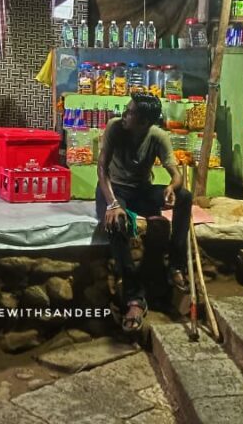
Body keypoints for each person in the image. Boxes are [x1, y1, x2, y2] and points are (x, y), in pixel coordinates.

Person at [97, 93, 193, 332]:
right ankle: (133, 298)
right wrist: (112, 204)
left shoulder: (157, 136)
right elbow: (102, 168)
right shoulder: (115, 128)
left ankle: (176, 264)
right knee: (116, 222)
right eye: (126, 110)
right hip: (113, 189)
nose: (124, 115)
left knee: (185, 197)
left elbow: (176, 174)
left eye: (130, 113)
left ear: (144, 122)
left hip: (140, 191)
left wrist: (172, 187)